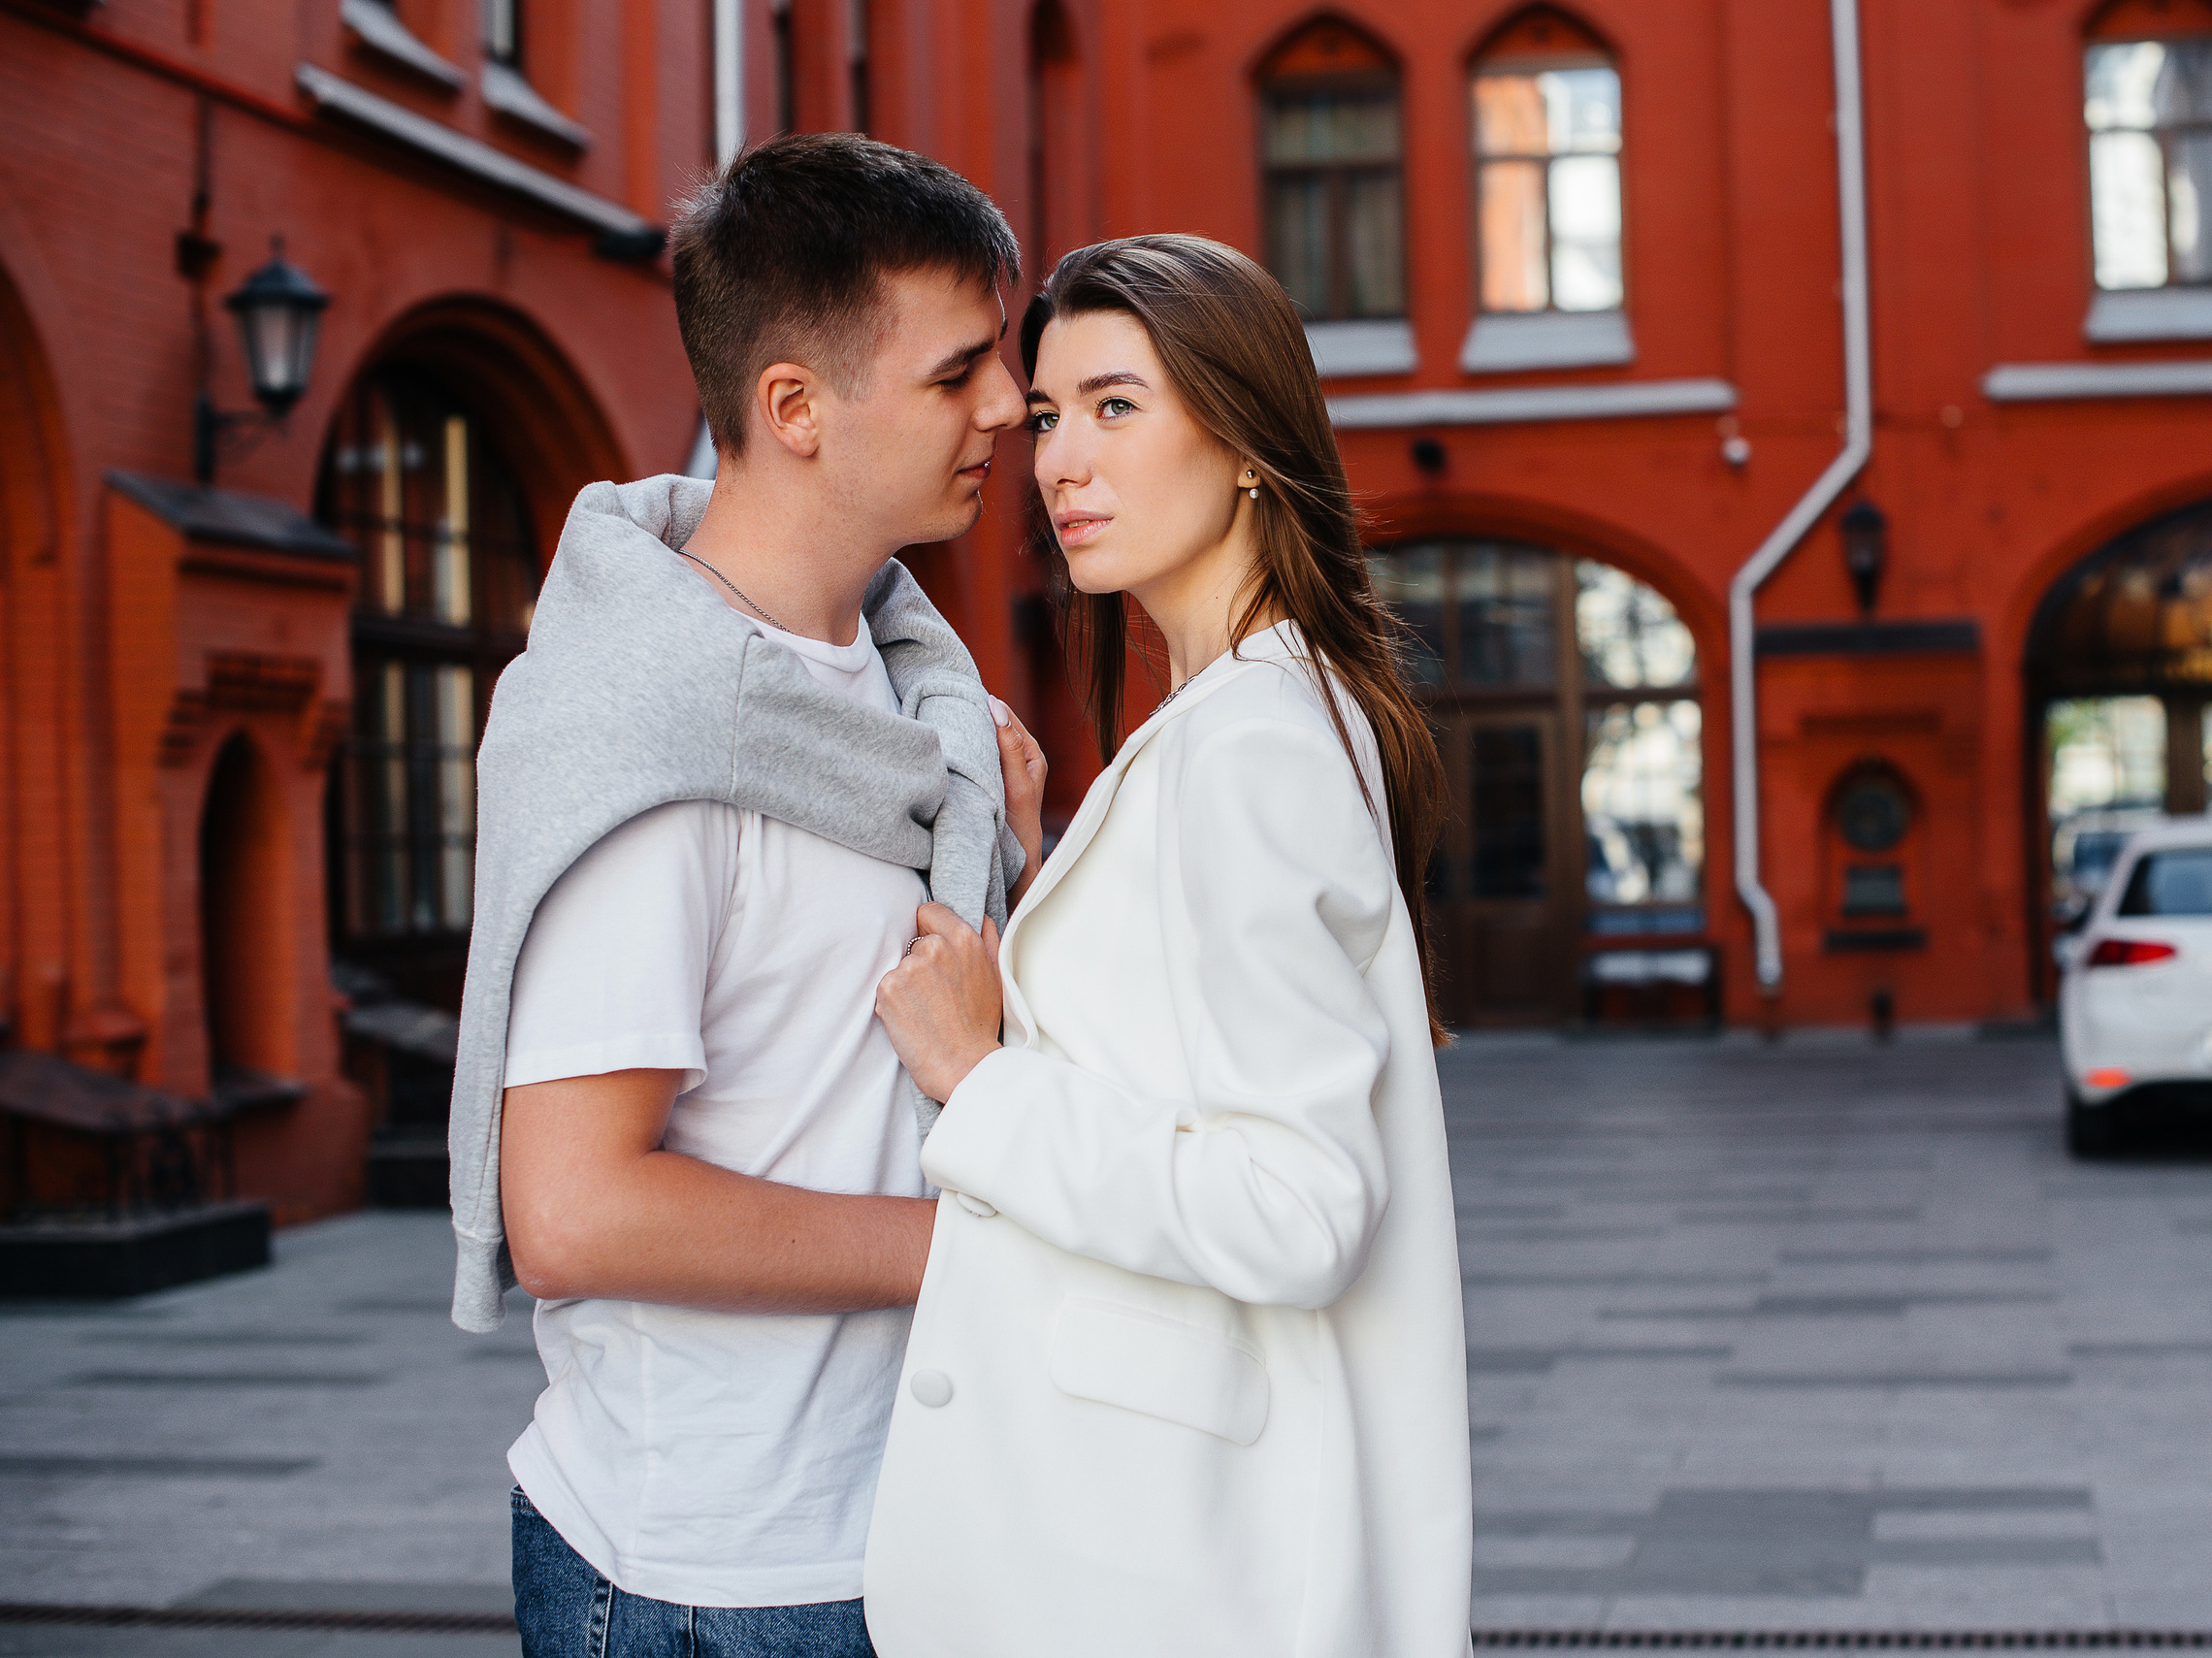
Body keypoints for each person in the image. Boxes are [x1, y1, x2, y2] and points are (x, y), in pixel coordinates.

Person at [441, 133, 1048, 1658]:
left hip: (916, 1520)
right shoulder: (650, 729)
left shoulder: (925, 714)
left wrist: (1030, 869)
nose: (1008, 406)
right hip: (708, 1573)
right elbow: (573, 1207)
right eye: (957, 370)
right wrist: (972, 1248)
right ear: (794, 408)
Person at [865, 234, 1473, 1658]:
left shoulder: (1253, 746)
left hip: (1176, 1572)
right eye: (1051, 413)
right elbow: (1164, 1058)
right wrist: (1034, 881)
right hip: (1161, 1547)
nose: (1061, 460)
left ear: (1247, 437)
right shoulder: (1237, 724)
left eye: (1117, 406)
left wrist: (980, 1075)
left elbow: (1296, 1205)